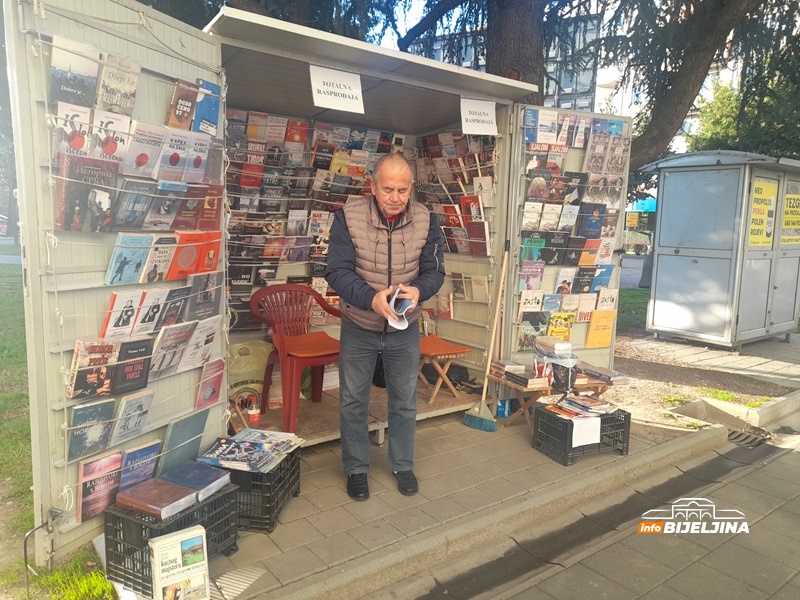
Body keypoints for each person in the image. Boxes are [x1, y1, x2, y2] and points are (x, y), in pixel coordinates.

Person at [325, 153, 445, 501]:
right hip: (360, 323)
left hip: (404, 327)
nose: (395, 198)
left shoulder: (426, 219)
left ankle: (402, 464)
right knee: (352, 400)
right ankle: (356, 468)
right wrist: (370, 298)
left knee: (405, 400)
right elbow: (337, 271)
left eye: (403, 190)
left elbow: (435, 270)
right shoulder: (347, 217)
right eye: (388, 189)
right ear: (373, 186)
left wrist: (419, 289)